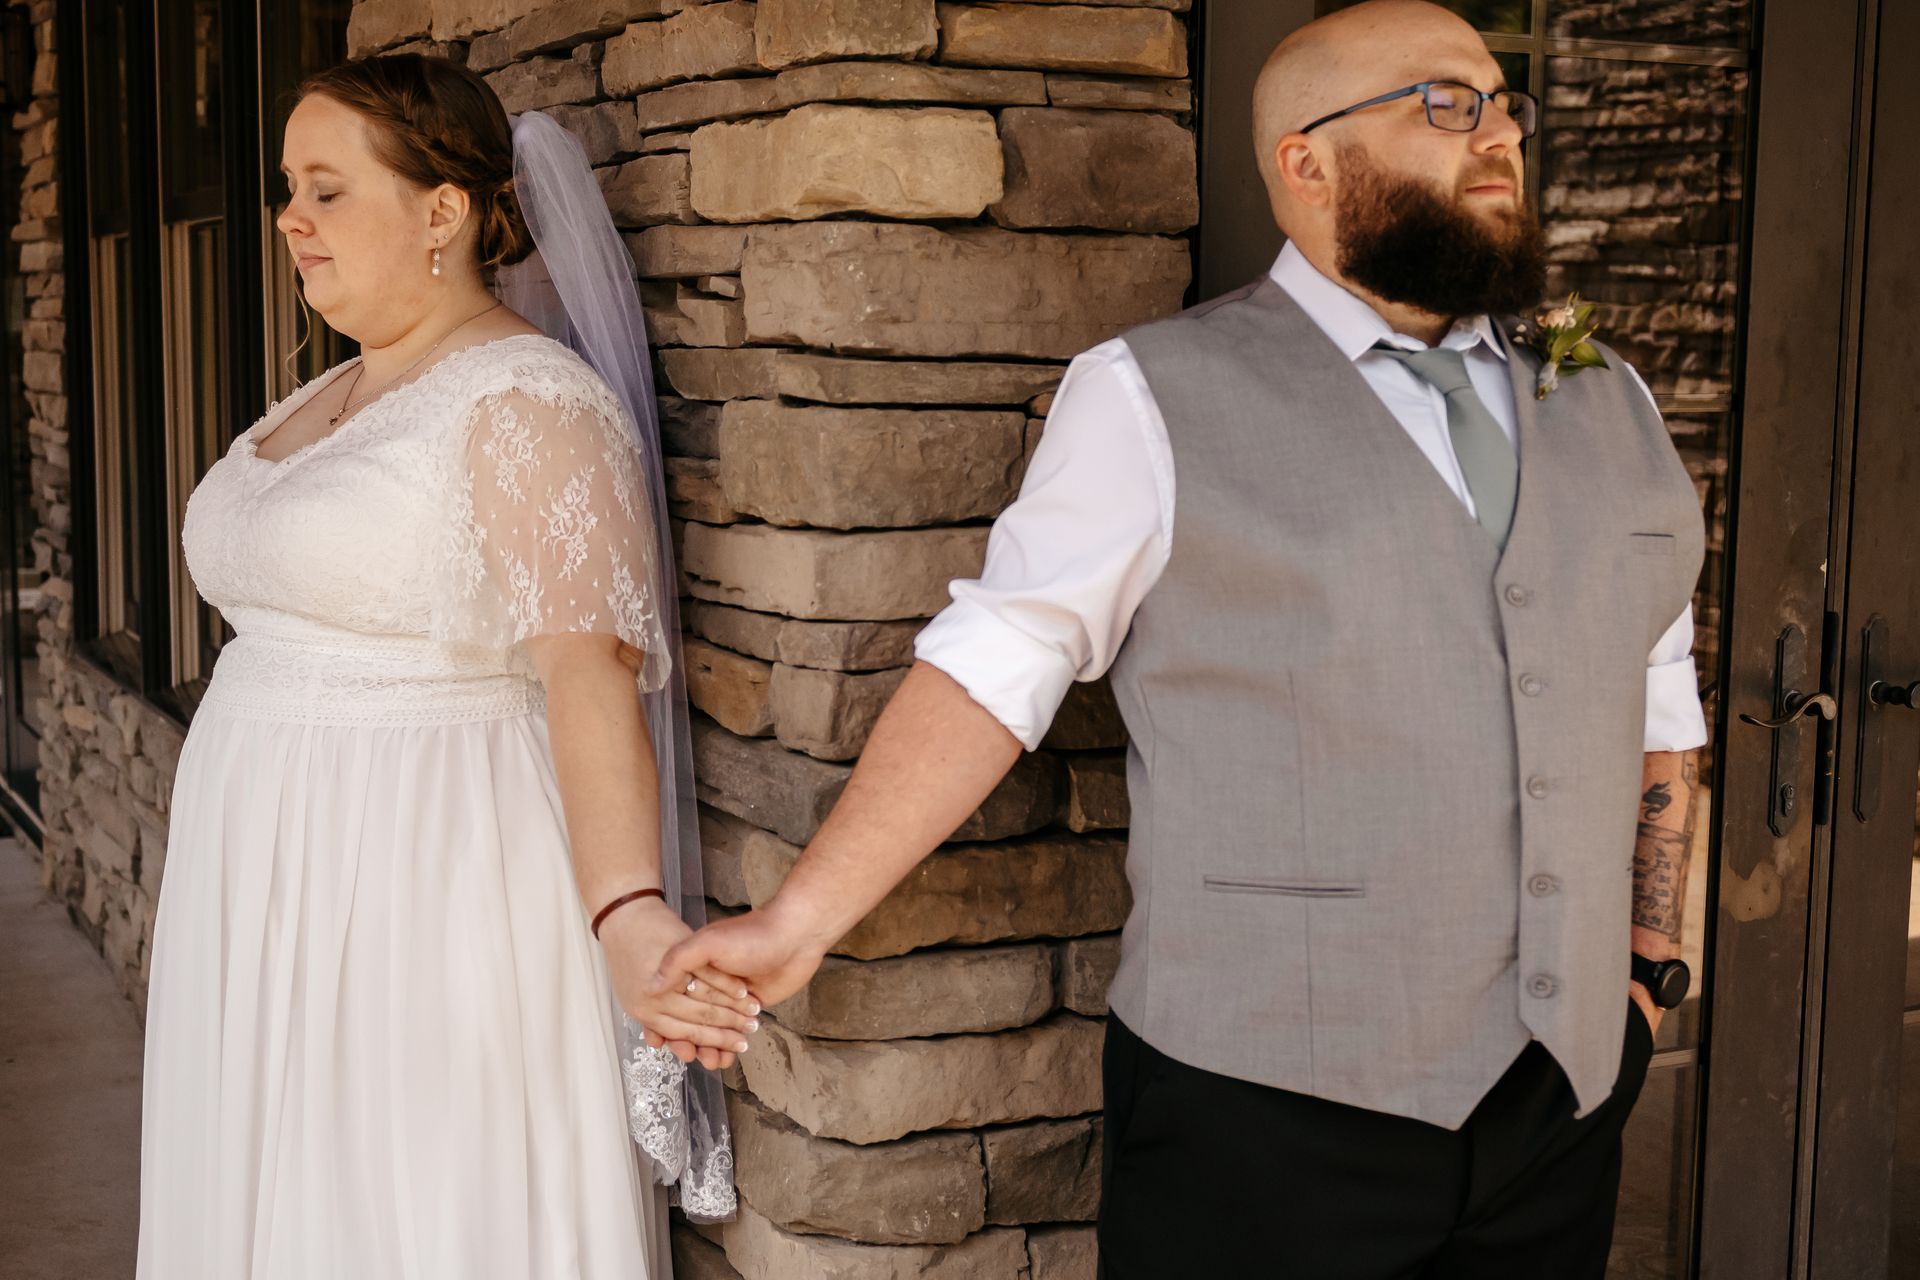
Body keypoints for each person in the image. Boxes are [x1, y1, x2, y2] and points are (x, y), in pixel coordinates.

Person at [652, 2, 1708, 1275]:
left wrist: (1649, 970)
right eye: (1444, 104)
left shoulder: (1607, 394)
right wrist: (800, 920)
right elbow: (1000, 666)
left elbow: (1654, 690)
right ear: (1303, 163)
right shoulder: (1150, 393)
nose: (1496, 137)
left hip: (1565, 1102)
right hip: (1267, 1109)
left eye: (1503, 104)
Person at [136, 54, 753, 1278]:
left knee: (404, 1193)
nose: (288, 218)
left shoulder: (531, 403)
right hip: (265, 875)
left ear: (442, 212)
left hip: (425, 874)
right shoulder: (334, 390)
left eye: (325, 189)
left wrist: (628, 914)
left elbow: (589, 681)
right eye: (285, 189)